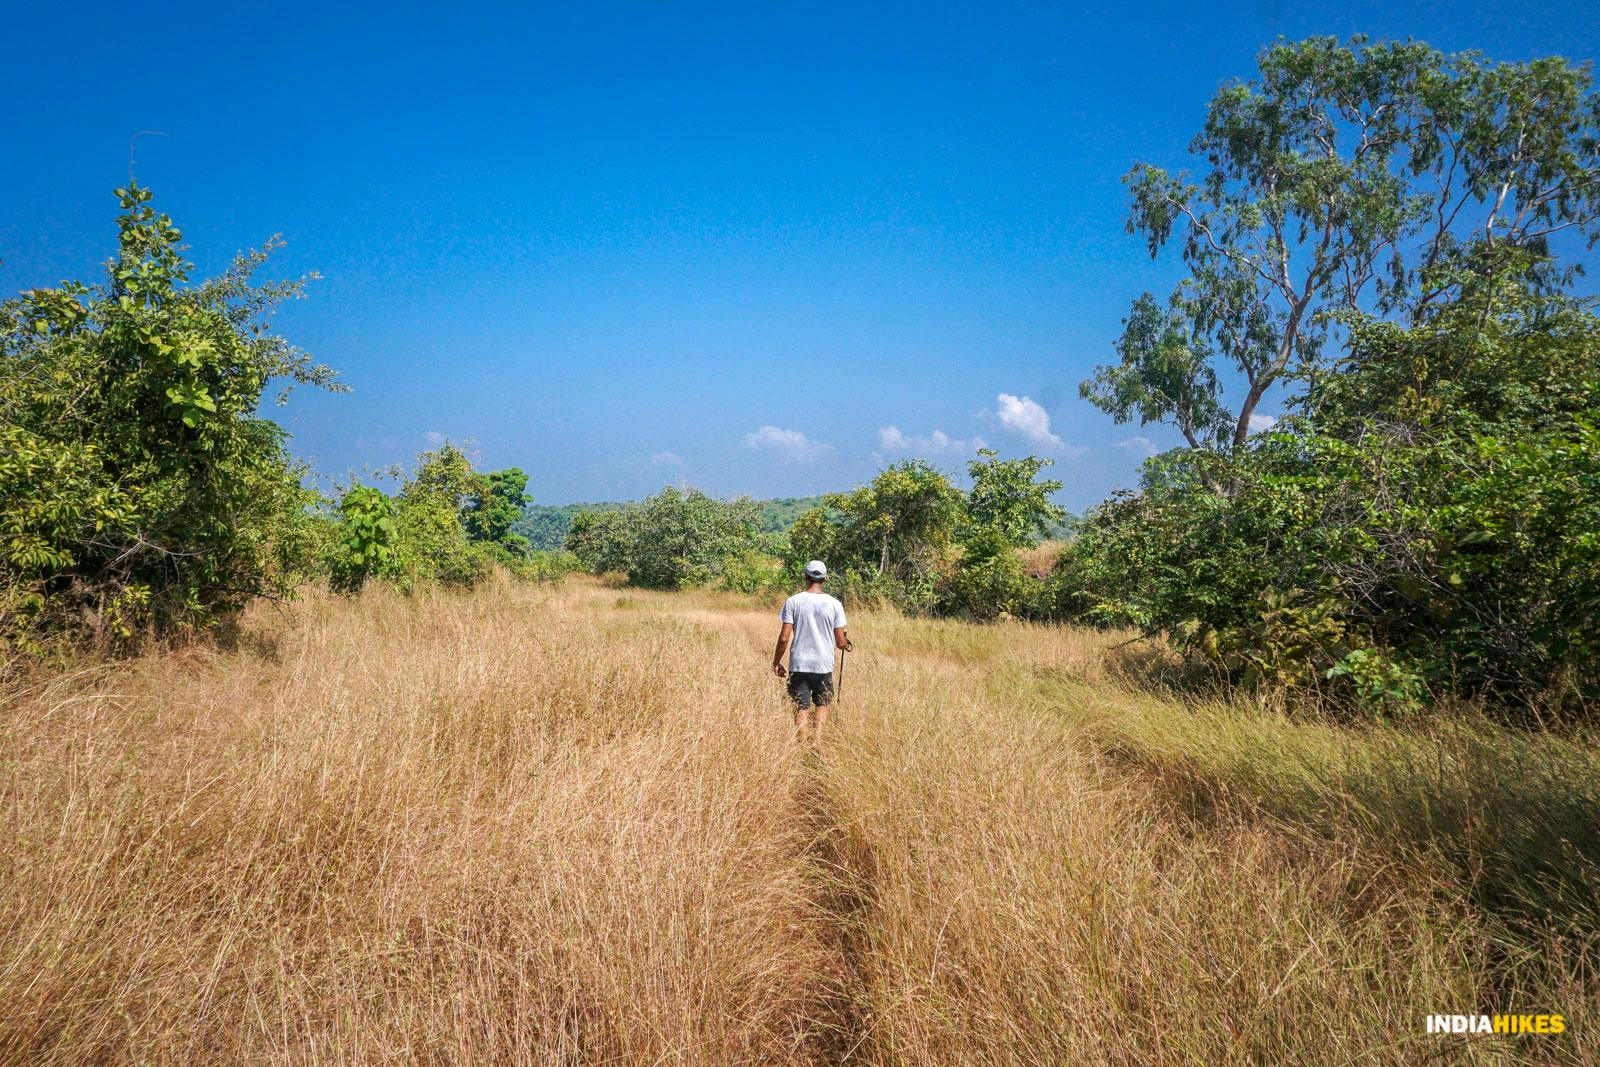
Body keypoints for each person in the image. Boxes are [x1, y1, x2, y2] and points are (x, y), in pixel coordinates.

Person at [771, 559, 850, 743]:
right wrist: (846, 642)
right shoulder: (835, 604)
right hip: (823, 665)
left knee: (801, 706)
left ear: (805, 577)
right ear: (826, 578)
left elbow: (784, 638)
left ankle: (802, 743)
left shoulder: (793, 602)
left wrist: (776, 662)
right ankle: (817, 742)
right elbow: (840, 642)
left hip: (799, 663)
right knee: (822, 704)